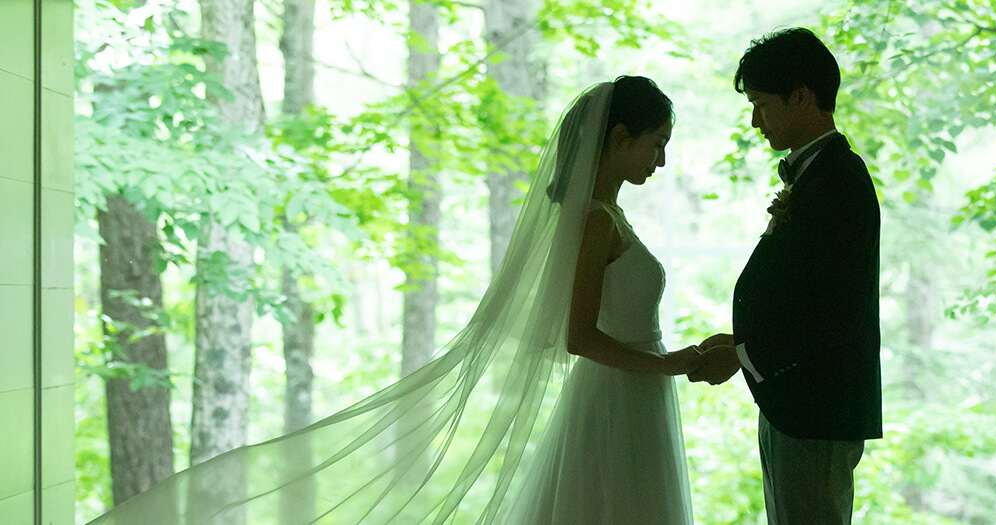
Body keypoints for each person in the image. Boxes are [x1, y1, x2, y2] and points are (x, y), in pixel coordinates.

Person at [86, 77, 698, 525]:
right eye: (656, 142)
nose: (662, 159)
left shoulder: (608, 216)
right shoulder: (594, 222)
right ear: (618, 138)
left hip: (634, 393)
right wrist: (676, 362)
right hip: (620, 398)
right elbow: (578, 338)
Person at [688, 28, 883, 525]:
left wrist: (745, 355)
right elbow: (804, 295)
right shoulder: (817, 176)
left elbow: (836, 313)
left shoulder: (839, 181)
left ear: (802, 96)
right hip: (795, 403)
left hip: (815, 409)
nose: (755, 121)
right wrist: (742, 342)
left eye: (761, 103)